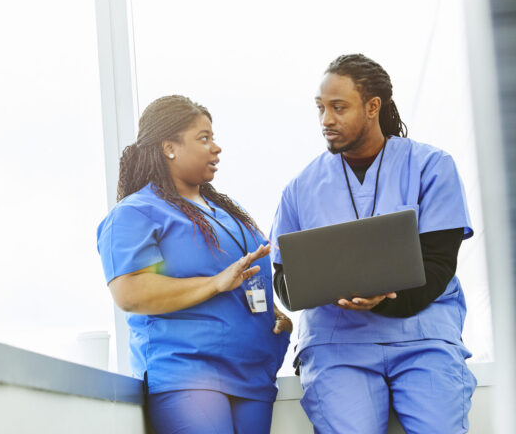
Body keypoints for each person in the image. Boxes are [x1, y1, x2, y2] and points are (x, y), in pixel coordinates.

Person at [270, 54, 477, 434]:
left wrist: (385, 297)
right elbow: (284, 280)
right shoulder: (300, 188)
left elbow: (439, 263)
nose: (326, 120)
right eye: (320, 109)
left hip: (422, 337)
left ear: (372, 107)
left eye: (338, 107)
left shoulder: (431, 166)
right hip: (337, 346)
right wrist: (329, 288)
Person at [97, 95, 291, 434]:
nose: (216, 148)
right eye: (204, 138)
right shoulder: (136, 213)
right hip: (188, 374)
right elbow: (130, 292)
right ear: (169, 146)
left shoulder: (232, 217)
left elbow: (251, 281)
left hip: (253, 377)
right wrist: (215, 283)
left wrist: (273, 316)